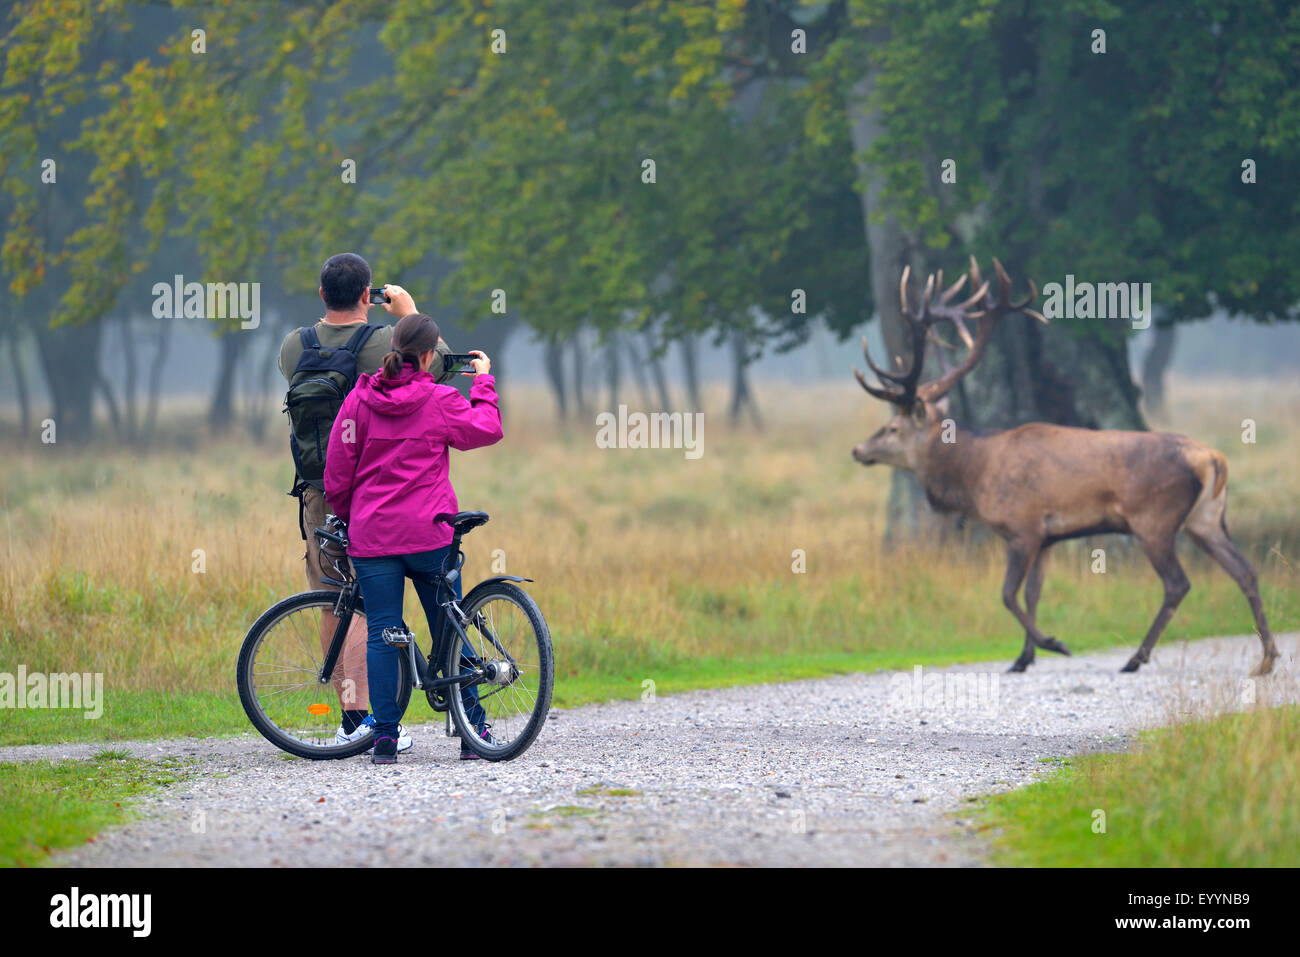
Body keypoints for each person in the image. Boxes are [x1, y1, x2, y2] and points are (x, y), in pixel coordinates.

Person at [278, 252, 456, 753]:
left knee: (335, 598)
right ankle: (381, 718)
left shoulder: (294, 345)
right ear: (367, 296)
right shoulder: (382, 342)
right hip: (377, 493)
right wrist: (408, 313)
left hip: (318, 490)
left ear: (320, 296)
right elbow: (436, 365)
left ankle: (351, 716)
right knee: (375, 608)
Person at [323, 312, 503, 764]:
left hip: (374, 538)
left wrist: (351, 519)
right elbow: (486, 429)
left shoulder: (358, 402)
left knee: (383, 633)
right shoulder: (441, 398)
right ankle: (472, 729)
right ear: (427, 356)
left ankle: (385, 738)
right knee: (451, 628)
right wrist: (482, 382)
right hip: (431, 534)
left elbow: (337, 474)